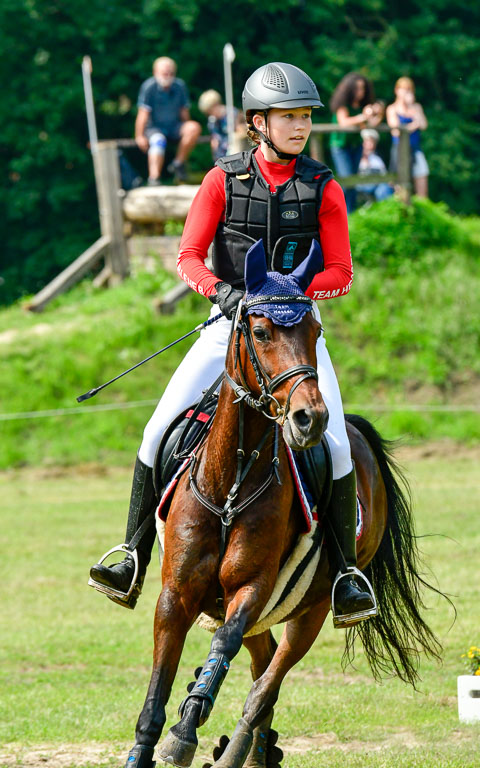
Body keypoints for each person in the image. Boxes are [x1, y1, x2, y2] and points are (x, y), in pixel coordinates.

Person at [89, 62, 377, 629]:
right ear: (258, 123)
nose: (300, 127)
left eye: (305, 117)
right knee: (155, 431)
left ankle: (344, 575)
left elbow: (341, 271)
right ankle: (132, 556)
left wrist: (294, 292)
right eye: (288, 117)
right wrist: (223, 293)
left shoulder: (324, 186)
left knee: (339, 445)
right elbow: (187, 257)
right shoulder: (222, 180)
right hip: (229, 326)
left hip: (293, 332)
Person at [135, 57, 201, 184]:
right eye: (165, 73)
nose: (168, 76)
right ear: (155, 72)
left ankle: (178, 163)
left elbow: (184, 112)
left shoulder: (179, 86)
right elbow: (142, 114)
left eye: (171, 73)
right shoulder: (149, 87)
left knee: (193, 127)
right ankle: (154, 178)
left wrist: (188, 131)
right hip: (154, 128)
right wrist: (139, 135)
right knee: (158, 141)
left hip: (174, 126)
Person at [329, 72, 384, 213]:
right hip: (340, 145)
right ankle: (342, 212)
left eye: (363, 88)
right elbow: (344, 122)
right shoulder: (343, 103)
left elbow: (372, 123)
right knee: (347, 179)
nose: (361, 92)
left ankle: (350, 213)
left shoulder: (362, 104)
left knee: (353, 180)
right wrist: (363, 116)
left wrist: (378, 113)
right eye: (358, 88)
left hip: (355, 145)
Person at [386, 76, 429, 197]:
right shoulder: (392, 109)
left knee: (422, 177)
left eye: (409, 90)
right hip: (399, 150)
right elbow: (396, 131)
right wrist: (415, 124)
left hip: (415, 148)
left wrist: (413, 109)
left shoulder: (416, 107)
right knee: (400, 183)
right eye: (404, 89)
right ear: (397, 90)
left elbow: (424, 125)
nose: (406, 92)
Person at [198, 89, 247, 162]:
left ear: (216, 105)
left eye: (210, 111)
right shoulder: (212, 120)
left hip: (235, 151)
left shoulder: (233, 115)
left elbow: (242, 131)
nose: (210, 115)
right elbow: (214, 135)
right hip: (220, 153)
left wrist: (239, 130)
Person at [355, 128, 394, 203]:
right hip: (362, 184)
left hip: (377, 184)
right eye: (367, 141)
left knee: (383, 189)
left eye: (372, 142)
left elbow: (384, 174)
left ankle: (385, 211)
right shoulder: (356, 157)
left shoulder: (377, 159)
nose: (369, 144)